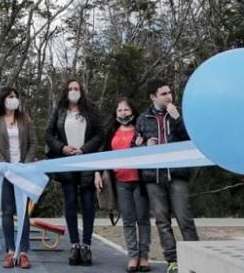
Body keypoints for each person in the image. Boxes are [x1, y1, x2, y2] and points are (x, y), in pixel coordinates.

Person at [135, 79, 199, 273]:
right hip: (153, 178)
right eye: (163, 93)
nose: (168, 96)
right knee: (162, 221)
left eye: (169, 92)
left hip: (177, 175)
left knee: (185, 219)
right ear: (153, 97)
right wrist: (144, 146)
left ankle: (196, 259)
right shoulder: (143, 118)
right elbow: (133, 146)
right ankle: (173, 260)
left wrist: (177, 118)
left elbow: (192, 139)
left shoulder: (179, 114)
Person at [44, 80, 104, 266]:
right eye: (70, 88)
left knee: (87, 204)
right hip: (67, 164)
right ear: (66, 92)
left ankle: (86, 245)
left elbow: (100, 134)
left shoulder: (91, 110)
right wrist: (62, 148)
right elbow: (48, 134)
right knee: (70, 202)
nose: (73, 91)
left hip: (86, 162)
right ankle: (74, 244)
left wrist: (85, 149)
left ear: (81, 91)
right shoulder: (60, 110)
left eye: (76, 88)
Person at [96, 98, 151, 272]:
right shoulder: (111, 131)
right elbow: (103, 154)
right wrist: (97, 173)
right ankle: (133, 256)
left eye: (126, 110)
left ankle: (144, 256)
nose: (123, 113)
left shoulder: (141, 130)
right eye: (120, 110)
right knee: (128, 220)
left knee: (142, 220)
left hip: (140, 181)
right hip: (120, 182)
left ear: (132, 111)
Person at [0, 86, 37, 269]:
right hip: (5, 173)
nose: (14, 99)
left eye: (16, 96)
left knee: (23, 212)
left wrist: (25, 164)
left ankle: (23, 252)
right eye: (10, 96)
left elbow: (33, 144)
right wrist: (6, 167)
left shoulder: (25, 119)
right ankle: (10, 251)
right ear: (3, 99)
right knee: (7, 212)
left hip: (23, 172)